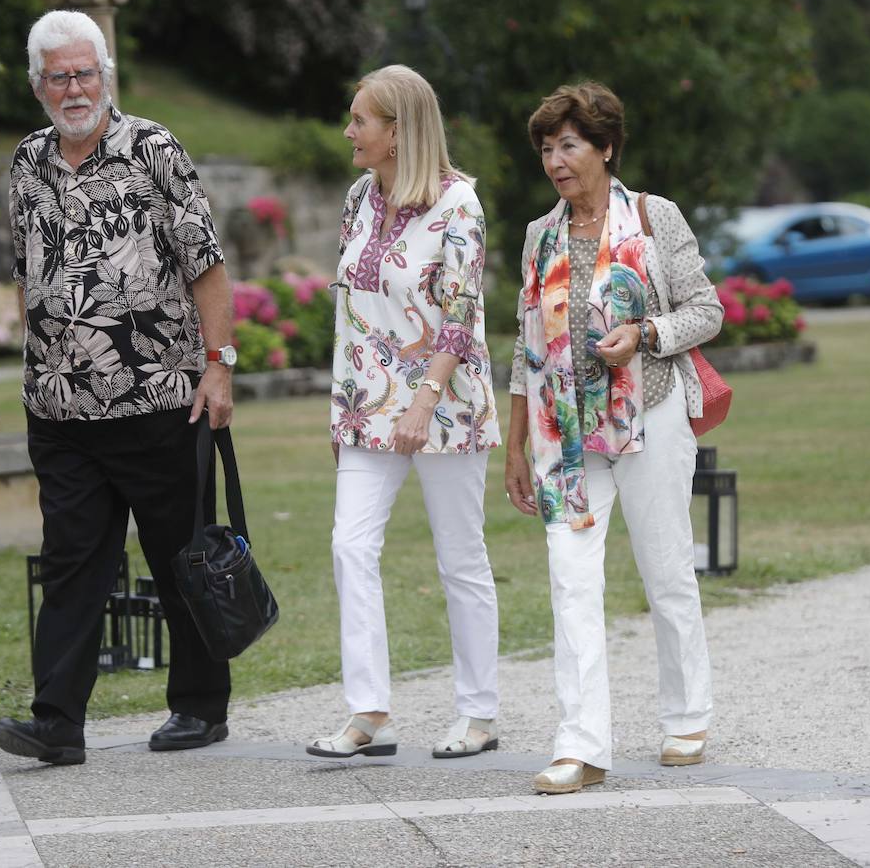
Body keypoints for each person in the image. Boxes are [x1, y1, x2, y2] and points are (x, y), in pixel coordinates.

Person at [0, 10, 237, 766]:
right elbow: (26, 276)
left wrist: (219, 362)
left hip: (159, 399)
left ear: (107, 77)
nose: (74, 88)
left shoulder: (153, 148)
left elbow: (205, 261)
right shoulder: (26, 162)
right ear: (38, 86)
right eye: (59, 76)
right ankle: (57, 722)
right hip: (61, 411)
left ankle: (200, 707)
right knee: (70, 561)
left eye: (85, 73)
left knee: (177, 556)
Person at [505, 82, 722, 794]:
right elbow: (523, 345)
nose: (555, 160)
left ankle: (686, 715)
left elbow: (707, 309)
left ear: (604, 147)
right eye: (545, 148)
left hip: (652, 415)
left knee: (665, 572)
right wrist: (513, 447)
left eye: (568, 144)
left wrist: (648, 334)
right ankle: (582, 745)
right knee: (571, 580)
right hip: (564, 435)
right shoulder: (540, 235)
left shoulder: (654, 218)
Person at [307, 65, 502, 761]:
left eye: (361, 120)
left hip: (445, 409)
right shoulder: (360, 197)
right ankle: (368, 712)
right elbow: (351, 314)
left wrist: (423, 402)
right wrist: (342, 410)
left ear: (398, 131)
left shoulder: (459, 206)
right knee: (349, 546)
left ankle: (478, 714)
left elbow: (460, 314)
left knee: (460, 559)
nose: (349, 131)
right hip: (368, 404)